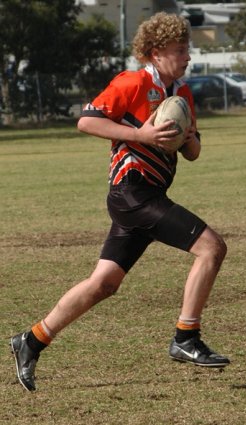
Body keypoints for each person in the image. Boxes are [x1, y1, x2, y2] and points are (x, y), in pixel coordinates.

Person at [10, 12, 230, 392]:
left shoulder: (180, 94)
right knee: (211, 248)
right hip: (131, 192)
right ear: (157, 52)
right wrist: (141, 135)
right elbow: (87, 121)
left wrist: (189, 136)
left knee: (103, 283)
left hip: (149, 196)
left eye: (187, 50)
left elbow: (192, 153)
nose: (187, 57)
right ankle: (186, 338)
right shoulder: (131, 82)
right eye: (181, 51)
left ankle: (30, 340)